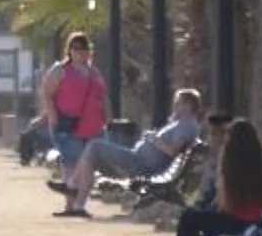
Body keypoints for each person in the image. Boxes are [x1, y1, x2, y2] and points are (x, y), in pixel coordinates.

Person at [56, 88, 203, 217]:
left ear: (188, 106)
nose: (174, 106)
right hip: (140, 160)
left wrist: (154, 139)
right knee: (91, 156)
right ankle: (78, 205)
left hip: (142, 164)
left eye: (178, 103)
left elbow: (171, 151)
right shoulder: (181, 123)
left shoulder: (187, 125)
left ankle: (72, 185)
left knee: (94, 145)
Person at [35, 31, 110, 173]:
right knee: (72, 163)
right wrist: (52, 115)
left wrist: (108, 119)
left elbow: (103, 97)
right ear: (69, 50)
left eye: (84, 47)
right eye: (76, 47)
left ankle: (79, 193)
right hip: (70, 127)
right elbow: (46, 92)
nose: (80, 51)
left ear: (89, 50)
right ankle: (72, 190)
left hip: (94, 128)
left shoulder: (94, 72)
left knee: (89, 167)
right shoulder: (60, 70)